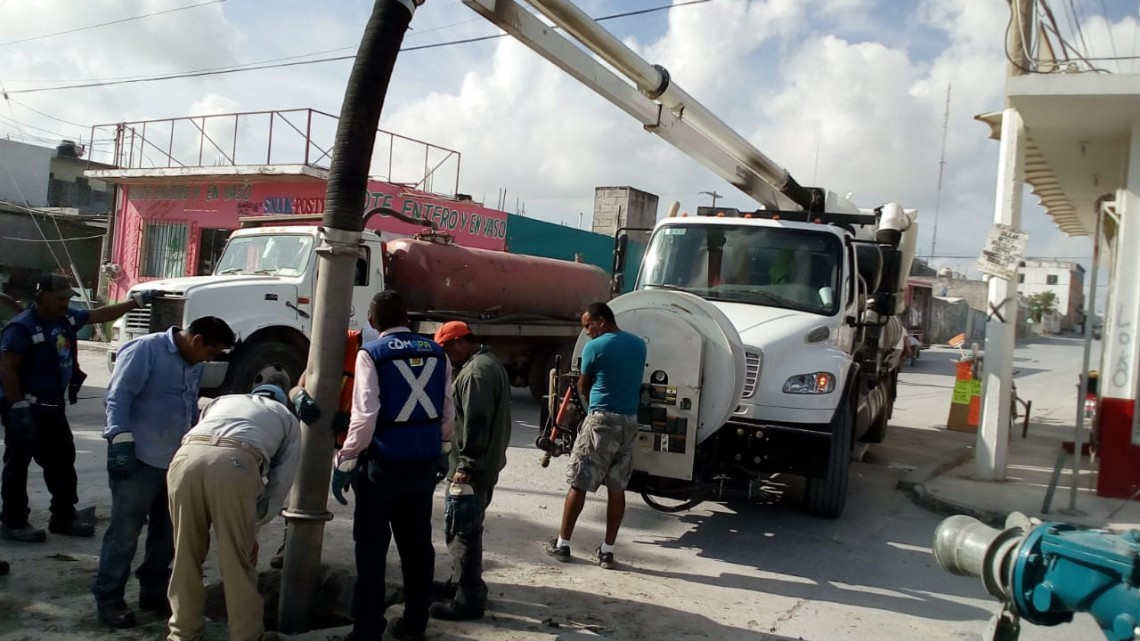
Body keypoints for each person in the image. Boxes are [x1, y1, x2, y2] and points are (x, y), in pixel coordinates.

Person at [93, 316, 236, 628]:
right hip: (138, 457)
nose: (209, 359)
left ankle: (153, 591)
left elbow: (187, 405)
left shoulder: (194, 362)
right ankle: (109, 597)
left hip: (176, 460)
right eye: (211, 352)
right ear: (196, 340)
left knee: (168, 533)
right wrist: (119, 439)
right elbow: (118, 396)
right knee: (125, 531)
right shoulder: (146, 350)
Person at [0, 274, 158, 543]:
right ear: (42, 297)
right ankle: (13, 521)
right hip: (26, 407)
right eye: (60, 298)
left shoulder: (66, 319)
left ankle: (63, 516)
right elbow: (7, 365)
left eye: (67, 299)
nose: (65, 303)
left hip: (52, 407)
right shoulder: (23, 327)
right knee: (19, 464)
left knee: (62, 460)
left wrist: (135, 303)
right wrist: (17, 407)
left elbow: (98, 315)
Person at [334, 290, 453, 641]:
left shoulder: (370, 354)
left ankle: (367, 629)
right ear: (408, 318)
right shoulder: (437, 352)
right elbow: (447, 410)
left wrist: (346, 458)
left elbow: (365, 415)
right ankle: (416, 623)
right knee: (417, 548)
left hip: (381, 467)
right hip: (422, 465)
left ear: (372, 321)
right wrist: (443, 448)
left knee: (370, 550)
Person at [166, 379, 301, 641]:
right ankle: (246, 635)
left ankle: (183, 633)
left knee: (185, 553)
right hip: (235, 463)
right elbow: (282, 478)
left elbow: (204, 433)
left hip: (184, 460)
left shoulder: (221, 401)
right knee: (237, 560)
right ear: (282, 399)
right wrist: (258, 517)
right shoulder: (285, 416)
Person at [545, 301, 646, 569]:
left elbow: (582, 384)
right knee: (617, 487)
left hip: (602, 421)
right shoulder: (639, 345)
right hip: (629, 422)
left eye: (588, 325)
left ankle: (562, 544)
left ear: (602, 321)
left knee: (579, 482)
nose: (587, 331)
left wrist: (590, 409)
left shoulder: (595, 347)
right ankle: (607, 552)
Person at [429, 321, 512, 621]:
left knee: (462, 532)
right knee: (466, 529)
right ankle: (459, 583)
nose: (447, 355)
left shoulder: (476, 373)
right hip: (482, 467)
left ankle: (469, 598)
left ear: (461, 342)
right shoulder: (486, 364)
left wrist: (467, 466)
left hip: (472, 470)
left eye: (448, 348)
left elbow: (477, 423)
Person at [268, 327, 363, 569]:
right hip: (317, 429)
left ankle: (367, 553)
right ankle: (290, 545)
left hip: (352, 435)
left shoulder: (365, 356)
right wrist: (299, 396)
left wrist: (352, 421)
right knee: (302, 490)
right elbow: (298, 384)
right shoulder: (323, 352)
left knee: (367, 496)